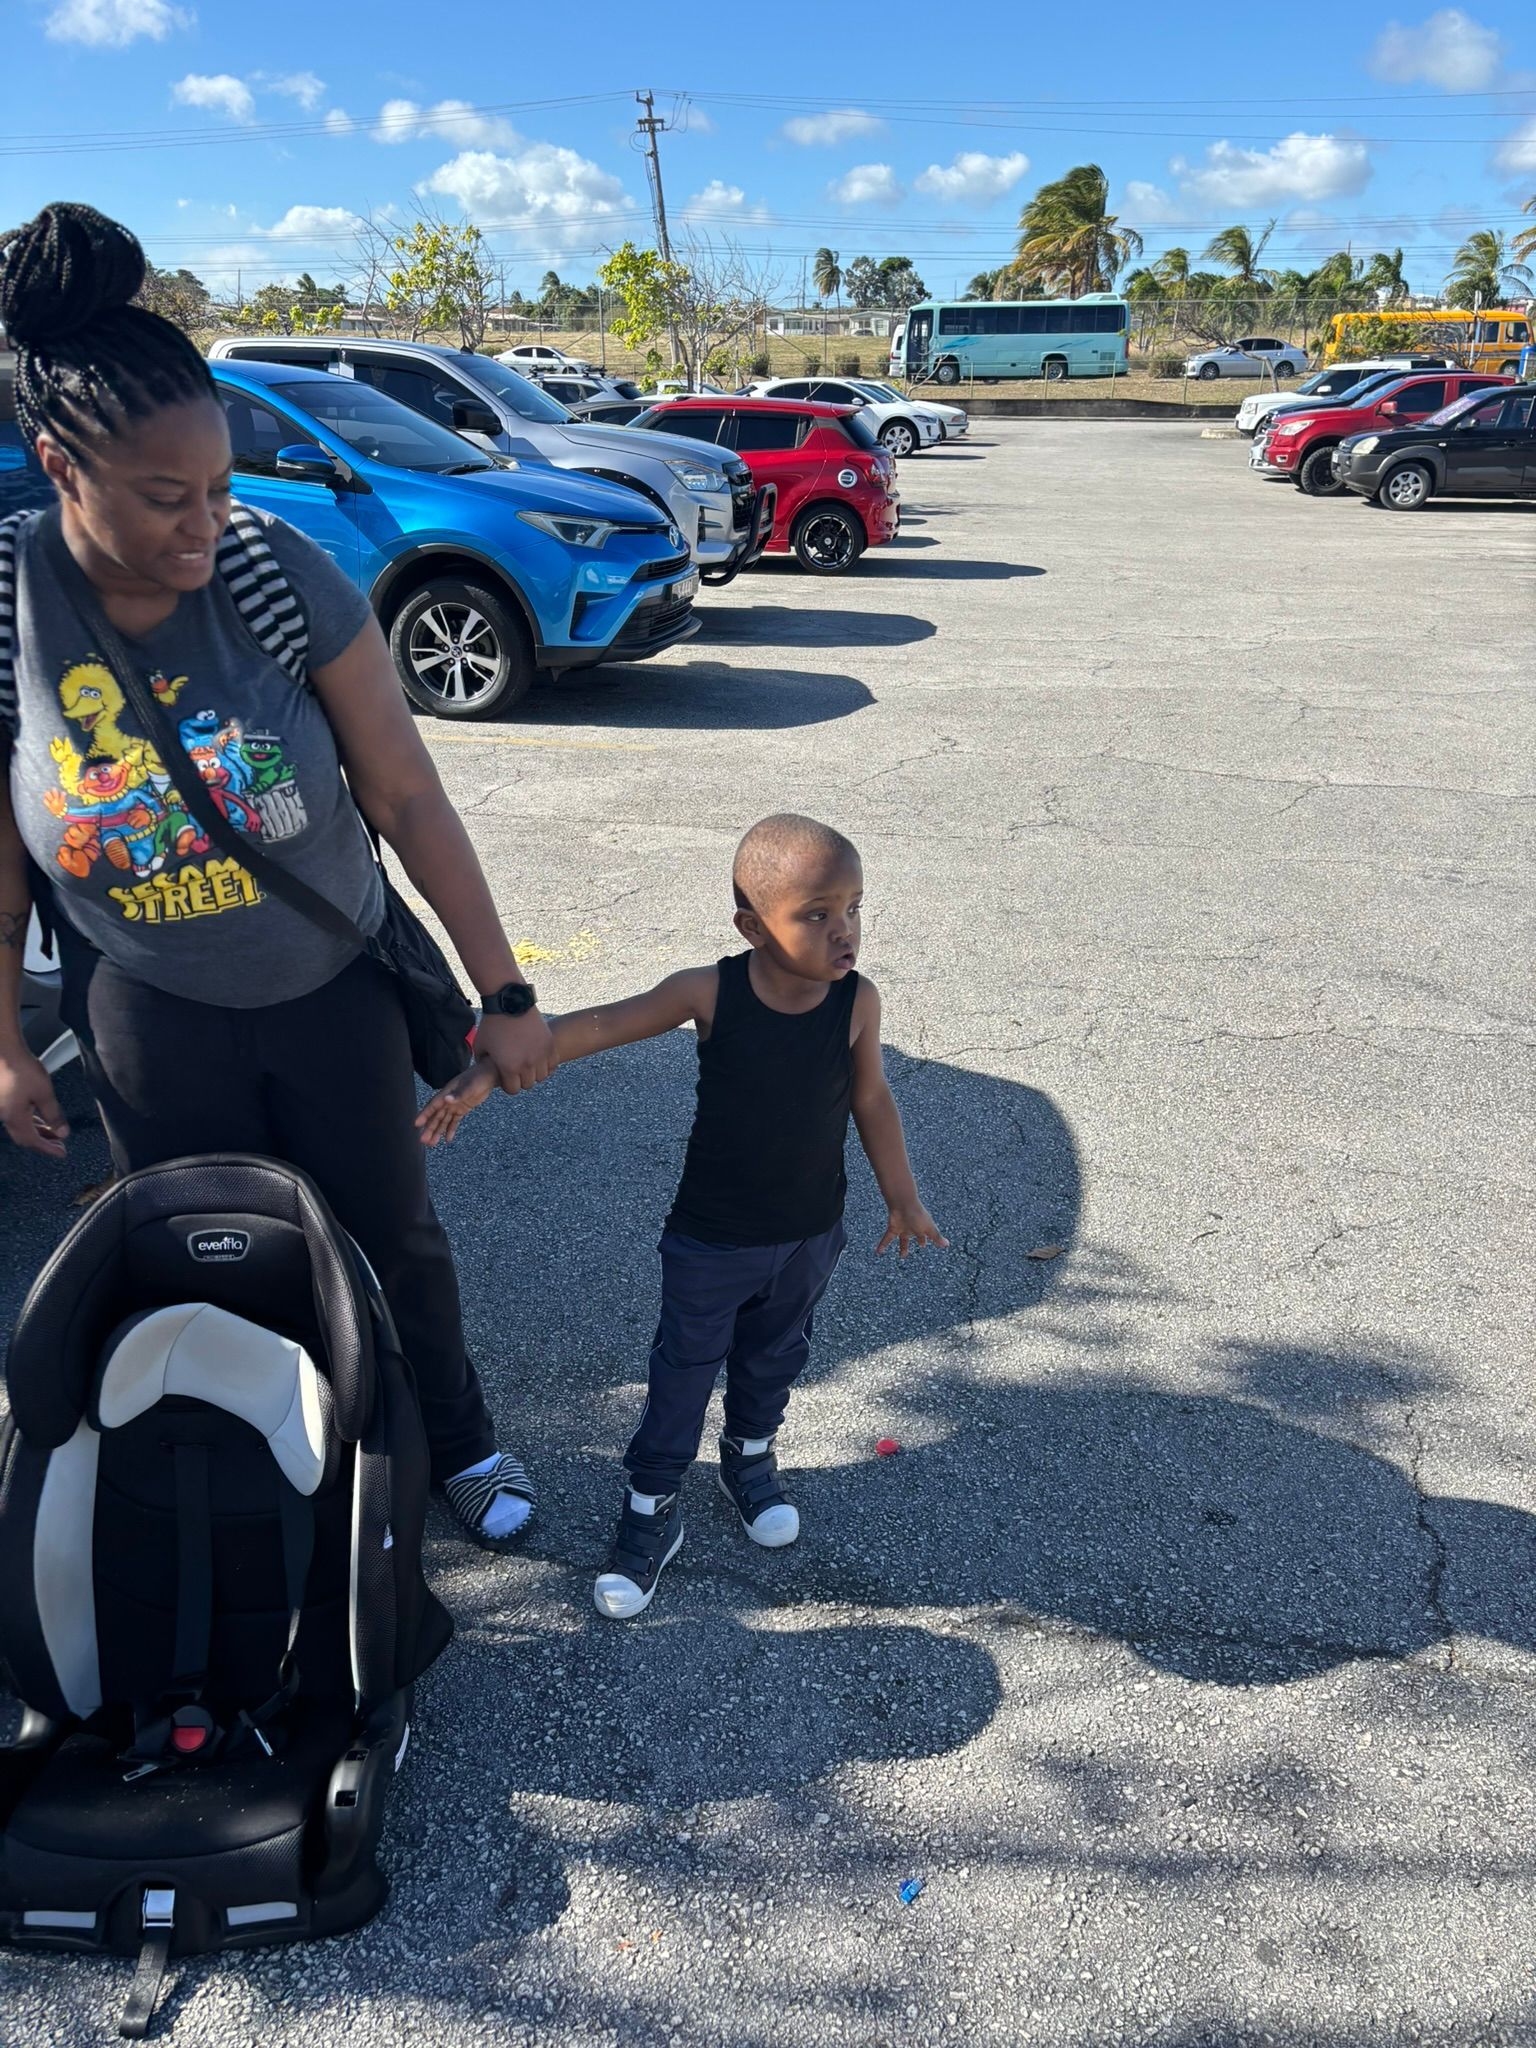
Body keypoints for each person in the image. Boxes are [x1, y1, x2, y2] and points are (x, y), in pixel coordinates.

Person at [0, 201, 550, 1549]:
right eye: (164, 497)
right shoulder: (9, 600)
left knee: (391, 1234)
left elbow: (406, 792)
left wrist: (507, 988)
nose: (206, 524)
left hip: (325, 984)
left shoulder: (269, 573)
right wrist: (6, 1047)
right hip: (142, 1005)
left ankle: (457, 1442)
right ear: (55, 464)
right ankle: (258, 1465)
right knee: (195, 1255)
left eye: (221, 486)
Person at [418, 812, 946, 1617]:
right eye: (816, 914)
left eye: (854, 907)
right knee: (681, 1375)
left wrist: (902, 1196)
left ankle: (749, 1458)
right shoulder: (710, 992)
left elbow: (870, 1096)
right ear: (751, 925)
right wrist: (487, 1072)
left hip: (810, 1232)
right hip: (712, 1239)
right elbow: (599, 1026)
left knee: (775, 1357)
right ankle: (652, 1507)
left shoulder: (856, 1002)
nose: (845, 932)